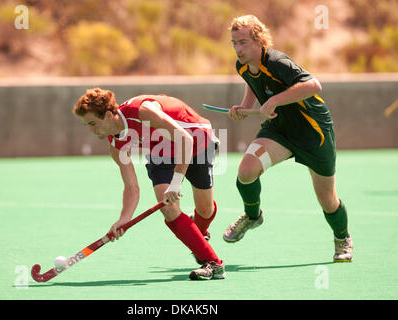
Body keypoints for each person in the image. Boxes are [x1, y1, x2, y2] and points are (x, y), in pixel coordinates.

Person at [223, 15, 353, 263]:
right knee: (246, 171)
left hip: (313, 133)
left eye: (243, 43)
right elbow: (253, 81)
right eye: (234, 43)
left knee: (327, 199)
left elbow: (313, 85)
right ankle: (252, 216)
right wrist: (243, 107)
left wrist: (273, 101)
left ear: (258, 40)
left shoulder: (277, 62)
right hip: (279, 130)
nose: (238, 49)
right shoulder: (242, 66)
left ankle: (343, 238)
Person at [72, 88, 226, 279]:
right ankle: (213, 264)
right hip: (160, 151)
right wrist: (124, 218)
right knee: (167, 207)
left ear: (110, 115)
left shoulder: (142, 111)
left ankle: (196, 232)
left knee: (205, 210)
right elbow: (131, 187)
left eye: (93, 123)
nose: (92, 131)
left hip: (195, 139)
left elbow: (185, 140)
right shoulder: (115, 145)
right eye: (88, 125)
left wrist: (176, 183)